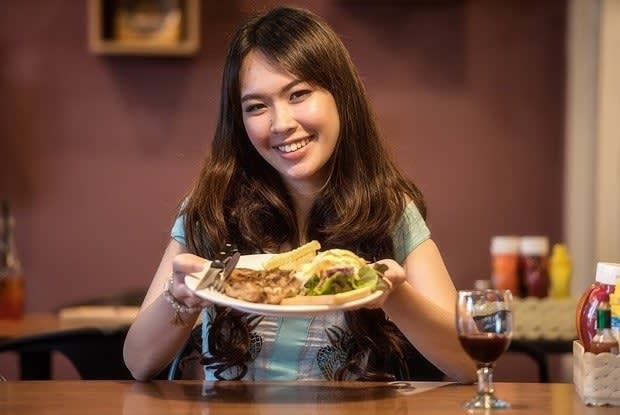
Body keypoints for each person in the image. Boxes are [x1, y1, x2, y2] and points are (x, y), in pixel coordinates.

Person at [123, 5, 476, 383]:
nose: (281, 124)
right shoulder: (211, 208)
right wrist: (180, 299)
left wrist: (393, 295)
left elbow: (469, 362)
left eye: (298, 94)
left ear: (341, 95)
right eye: (256, 106)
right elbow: (138, 362)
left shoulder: (387, 210)